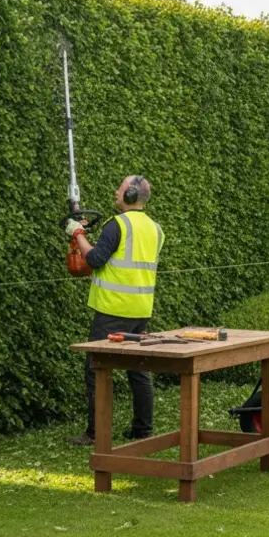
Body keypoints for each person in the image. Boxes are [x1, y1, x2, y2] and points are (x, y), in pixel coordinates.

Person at [64, 175, 164, 446]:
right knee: (138, 369)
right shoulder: (155, 229)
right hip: (141, 309)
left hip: (112, 309)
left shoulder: (116, 224)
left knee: (96, 369)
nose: (116, 192)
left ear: (131, 194)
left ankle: (96, 433)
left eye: (120, 189)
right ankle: (143, 431)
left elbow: (96, 259)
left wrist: (77, 234)